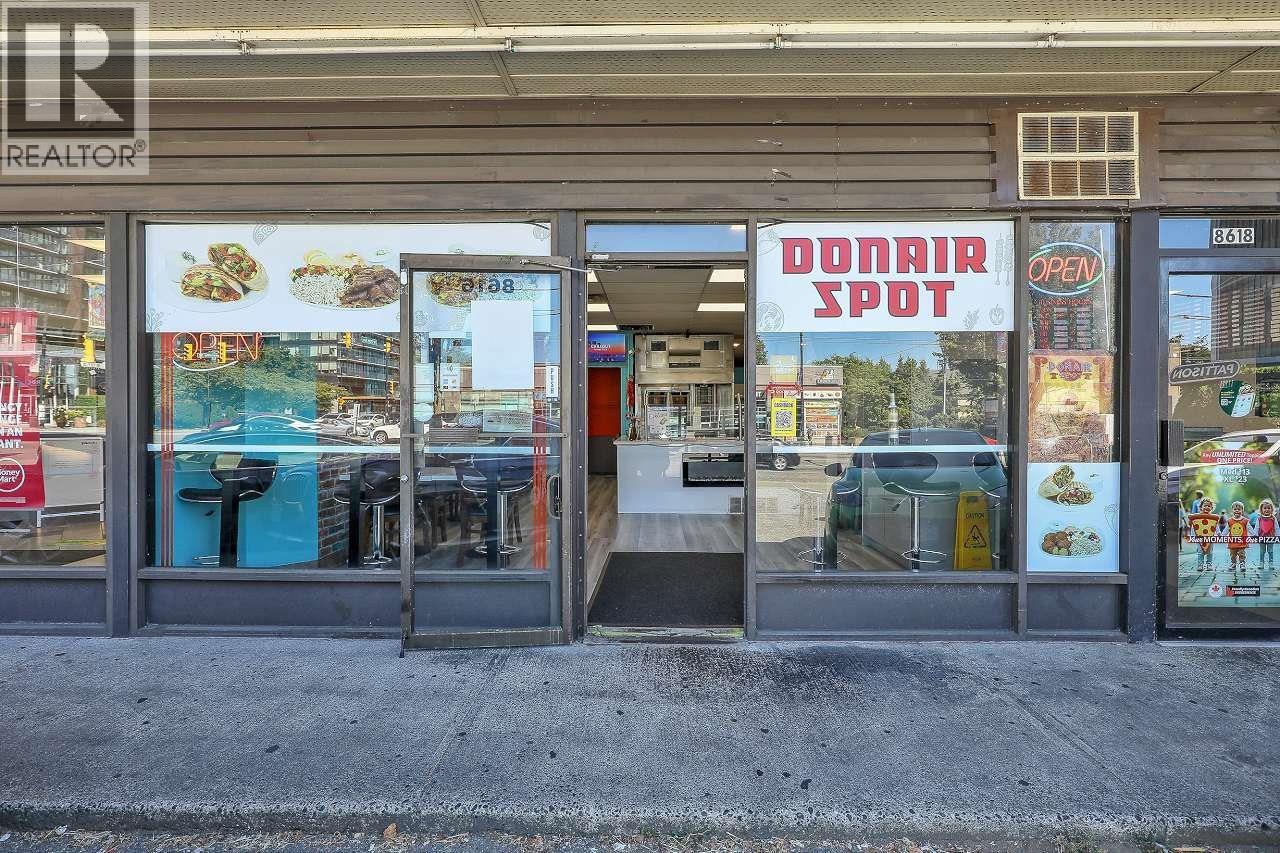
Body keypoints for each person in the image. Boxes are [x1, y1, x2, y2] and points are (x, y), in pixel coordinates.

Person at [1225, 501, 1250, 572]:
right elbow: (1226, 529)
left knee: (1241, 553)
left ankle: (1242, 563)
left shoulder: (1245, 520)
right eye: (1235, 509)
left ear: (1242, 510)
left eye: (1239, 509)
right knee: (1233, 553)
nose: (1237, 511)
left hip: (1242, 541)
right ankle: (1233, 563)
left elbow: (1249, 528)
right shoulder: (1230, 520)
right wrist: (1221, 535)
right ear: (1232, 510)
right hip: (1232, 541)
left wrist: (1255, 534)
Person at [1252, 498, 1277, 568]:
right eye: (1265, 508)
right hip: (1261, 537)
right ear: (1261, 509)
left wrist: (1278, 536)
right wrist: (1255, 535)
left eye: (1268, 508)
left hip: (1271, 537)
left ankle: (1271, 563)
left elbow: (1276, 527)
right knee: (1262, 551)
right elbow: (1257, 527)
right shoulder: (1259, 518)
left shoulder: (1273, 518)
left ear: (1271, 509)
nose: (1267, 510)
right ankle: (1261, 563)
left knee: (1270, 551)